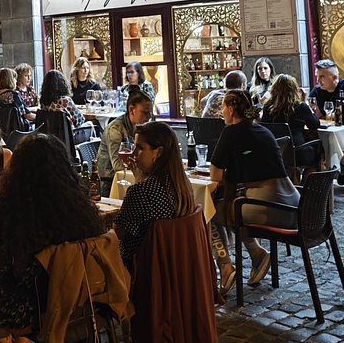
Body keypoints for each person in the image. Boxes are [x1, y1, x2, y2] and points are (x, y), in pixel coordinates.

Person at [0, 134, 107, 343]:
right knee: (30, 282)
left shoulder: (13, 208)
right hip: (83, 302)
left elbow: (8, 265)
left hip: (38, 310)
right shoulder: (78, 205)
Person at [208, 89, 298, 296]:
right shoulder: (262, 130)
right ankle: (257, 255)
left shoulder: (231, 132)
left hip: (271, 207)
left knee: (210, 212)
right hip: (293, 203)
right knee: (234, 208)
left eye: (222, 108)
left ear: (231, 109)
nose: (221, 112)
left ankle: (225, 266)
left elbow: (215, 175)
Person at [115, 122, 198, 272]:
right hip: (176, 269)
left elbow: (118, 232)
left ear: (158, 152)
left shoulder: (142, 192)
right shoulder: (182, 186)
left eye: (140, 148)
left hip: (140, 270)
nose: (133, 154)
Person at [97, 90, 154, 198]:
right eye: (145, 112)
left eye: (150, 113)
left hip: (130, 178)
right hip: (110, 183)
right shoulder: (115, 130)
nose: (149, 117)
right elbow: (118, 166)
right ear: (131, 110)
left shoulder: (141, 127)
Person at [261, 73, 322, 172]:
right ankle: (308, 182)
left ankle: (295, 176)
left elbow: (265, 126)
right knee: (319, 149)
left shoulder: (268, 106)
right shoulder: (300, 106)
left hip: (276, 151)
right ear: (294, 89)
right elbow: (314, 124)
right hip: (297, 151)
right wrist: (305, 102)